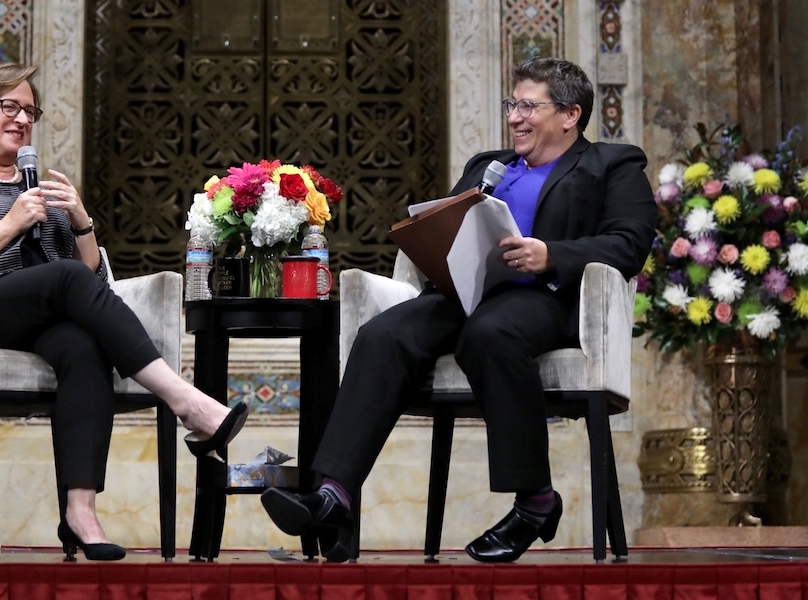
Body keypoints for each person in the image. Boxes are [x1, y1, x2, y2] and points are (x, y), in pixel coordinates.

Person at [260, 56, 656, 563]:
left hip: (547, 299)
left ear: (570, 114)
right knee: (383, 334)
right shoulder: (487, 166)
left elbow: (630, 244)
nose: (514, 116)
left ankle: (536, 500)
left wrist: (551, 254)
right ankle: (332, 493)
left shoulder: (612, 164)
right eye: (512, 104)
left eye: (528, 106)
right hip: (463, 295)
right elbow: (450, 229)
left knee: (489, 335)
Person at [0, 62, 249, 562]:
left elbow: (89, 280)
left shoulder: (41, 186)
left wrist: (82, 222)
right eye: (9, 107)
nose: (22, 118)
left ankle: (79, 512)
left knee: (84, 346)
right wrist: (10, 222)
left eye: (29, 111)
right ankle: (184, 398)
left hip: (38, 318)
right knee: (63, 281)